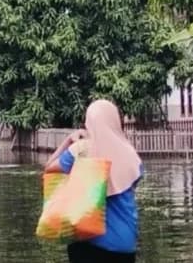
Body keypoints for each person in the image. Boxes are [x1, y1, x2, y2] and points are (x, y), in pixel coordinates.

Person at [44, 99, 143, 263]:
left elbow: (49, 168)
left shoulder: (81, 150)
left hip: (90, 242)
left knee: (76, 248)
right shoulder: (131, 155)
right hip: (126, 245)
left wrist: (69, 140)